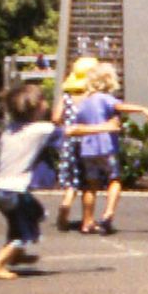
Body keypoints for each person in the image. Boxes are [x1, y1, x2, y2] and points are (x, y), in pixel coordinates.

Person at [63, 62, 148, 235]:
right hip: (106, 146)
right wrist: (143, 110)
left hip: (88, 149)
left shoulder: (83, 103)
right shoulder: (105, 98)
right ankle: (108, 212)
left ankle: (87, 221)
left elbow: (78, 125)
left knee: (91, 185)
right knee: (114, 179)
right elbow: (120, 107)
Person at [0, 84, 63, 281]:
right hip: (15, 190)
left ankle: (16, 255)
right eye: (44, 100)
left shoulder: (9, 129)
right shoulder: (41, 129)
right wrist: (105, 127)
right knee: (24, 232)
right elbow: (73, 130)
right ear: (37, 107)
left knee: (32, 214)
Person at [53, 57, 98, 231]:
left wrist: (65, 126)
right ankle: (88, 219)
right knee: (89, 183)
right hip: (88, 142)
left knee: (72, 180)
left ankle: (65, 204)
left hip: (69, 142)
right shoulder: (92, 98)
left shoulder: (66, 98)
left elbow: (56, 118)